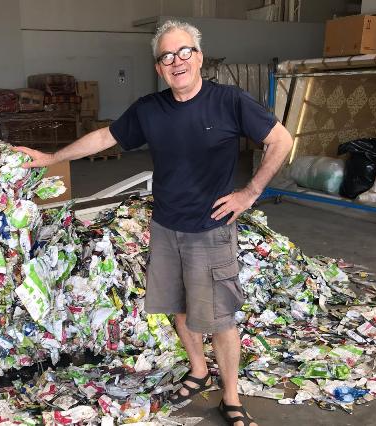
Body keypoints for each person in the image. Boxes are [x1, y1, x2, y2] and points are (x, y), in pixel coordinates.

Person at [14, 20, 293, 426]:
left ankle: (230, 395)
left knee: (219, 319)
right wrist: (51, 158)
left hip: (209, 230)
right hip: (165, 227)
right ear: (159, 67)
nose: (176, 62)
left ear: (198, 57)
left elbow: (281, 140)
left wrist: (250, 193)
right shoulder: (150, 108)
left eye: (184, 53)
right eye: (166, 56)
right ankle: (199, 370)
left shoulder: (229, 101)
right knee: (177, 309)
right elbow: (105, 137)